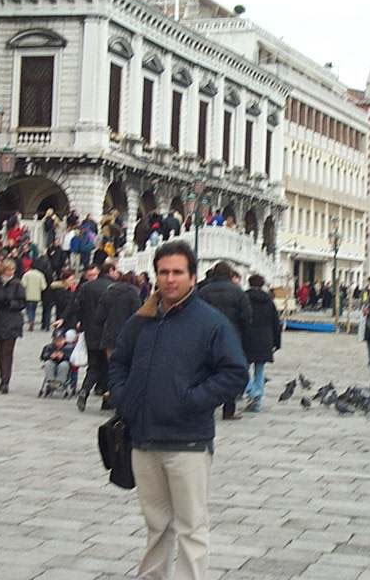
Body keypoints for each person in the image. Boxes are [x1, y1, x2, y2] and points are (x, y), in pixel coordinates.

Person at [108, 240, 248, 580]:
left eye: (177, 272)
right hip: (143, 440)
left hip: (188, 442)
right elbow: (118, 361)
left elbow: (234, 373)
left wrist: (190, 400)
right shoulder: (142, 319)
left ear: (192, 277)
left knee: (191, 527)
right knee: (156, 525)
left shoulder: (211, 323)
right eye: (163, 272)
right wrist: (125, 397)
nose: (170, 279)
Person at [198, 261, 252, 421]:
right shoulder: (238, 292)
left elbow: (195, 312)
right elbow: (247, 316)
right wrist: (241, 333)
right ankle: (229, 410)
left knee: (207, 372)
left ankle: (206, 406)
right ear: (230, 274)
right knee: (230, 372)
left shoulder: (204, 291)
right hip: (232, 336)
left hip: (207, 335)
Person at [63, 262, 116, 412]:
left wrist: (79, 321)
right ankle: (106, 400)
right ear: (110, 271)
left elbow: (76, 306)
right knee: (107, 366)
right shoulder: (113, 287)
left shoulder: (86, 287)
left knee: (93, 366)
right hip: (108, 333)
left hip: (90, 332)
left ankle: (84, 391)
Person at [242, 274, 282, 413]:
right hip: (265, 339)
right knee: (260, 371)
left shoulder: (243, 298)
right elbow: (276, 323)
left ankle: (251, 391)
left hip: (246, 338)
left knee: (243, 369)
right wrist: (277, 342)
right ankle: (257, 401)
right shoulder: (269, 301)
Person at [0, 259, 26, 394]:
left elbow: (22, 303)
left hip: (12, 321)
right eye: (8, 270)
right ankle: (2, 377)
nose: (11, 272)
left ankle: (6, 381)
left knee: (7, 352)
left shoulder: (17, 284)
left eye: (12, 270)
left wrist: (11, 304)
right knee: (0, 352)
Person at [95, 271, 142, 358]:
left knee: (112, 363)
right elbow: (138, 317)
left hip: (109, 337)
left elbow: (99, 317)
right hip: (128, 337)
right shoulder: (134, 294)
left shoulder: (108, 292)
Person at [39, 329, 73, 396]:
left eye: (61, 340)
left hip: (64, 365)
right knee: (48, 363)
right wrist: (50, 356)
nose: (58, 342)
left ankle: (59, 382)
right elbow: (42, 357)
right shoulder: (48, 347)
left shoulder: (69, 347)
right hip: (52, 364)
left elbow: (72, 359)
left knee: (64, 365)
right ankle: (51, 382)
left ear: (65, 339)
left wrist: (64, 356)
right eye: (56, 340)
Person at [20, 263, 47, 331]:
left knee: (29, 310)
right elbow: (43, 287)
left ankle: (30, 321)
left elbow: (23, 284)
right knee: (34, 310)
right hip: (36, 295)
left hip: (28, 295)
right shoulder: (40, 275)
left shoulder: (26, 274)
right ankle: (32, 321)